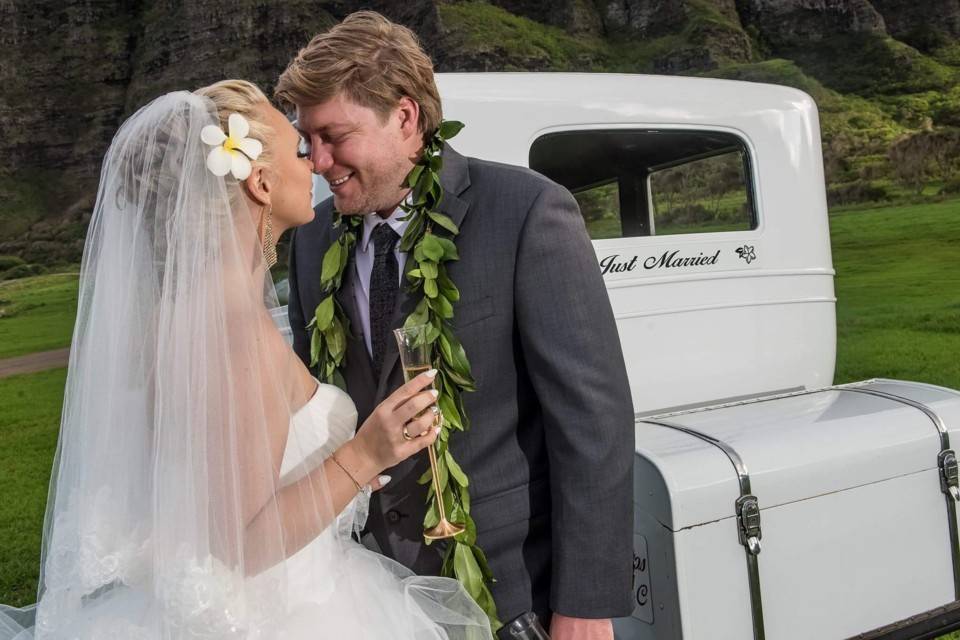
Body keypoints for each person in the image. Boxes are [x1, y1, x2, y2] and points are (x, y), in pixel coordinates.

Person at [0, 80, 493, 639]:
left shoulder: (184, 316)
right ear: (260, 182)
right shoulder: (234, 331)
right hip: (283, 615)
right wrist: (366, 453)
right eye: (297, 150)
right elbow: (243, 542)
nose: (314, 166)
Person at [278, 12, 635, 639]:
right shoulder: (310, 243)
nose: (318, 161)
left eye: (334, 135)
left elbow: (592, 419)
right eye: (309, 140)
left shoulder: (526, 212)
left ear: (406, 117)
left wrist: (584, 605)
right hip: (369, 597)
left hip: (510, 593)